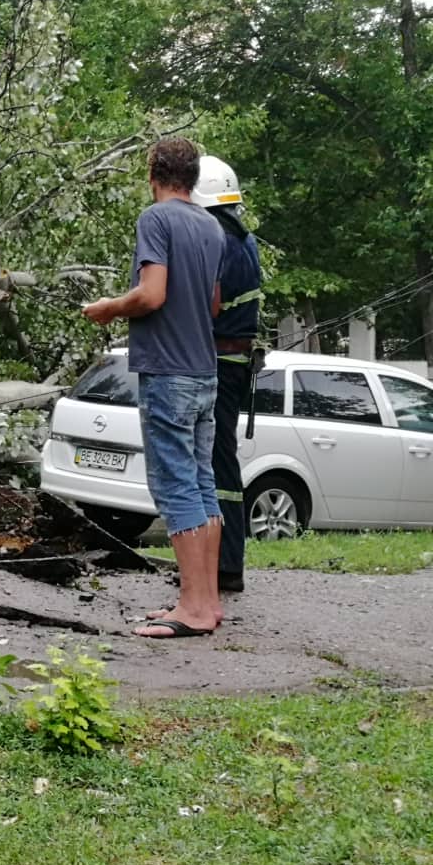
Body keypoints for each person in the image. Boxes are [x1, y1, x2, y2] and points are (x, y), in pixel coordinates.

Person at [82, 138, 226, 637]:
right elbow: (212, 306)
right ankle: (207, 604)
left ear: (154, 175)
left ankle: (190, 609)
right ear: (194, 177)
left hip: (167, 371)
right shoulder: (211, 226)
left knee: (175, 486)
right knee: (203, 484)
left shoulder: (156, 220)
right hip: (206, 371)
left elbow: (152, 294)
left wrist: (109, 308)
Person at [193, 155, 262, 595]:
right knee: (218, 461)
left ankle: (223, 566)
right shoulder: (243, 237)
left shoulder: (218, 238)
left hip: (220, 362)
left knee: (215, 463)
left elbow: (208, 305)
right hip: (232, 362)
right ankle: (221, 563)